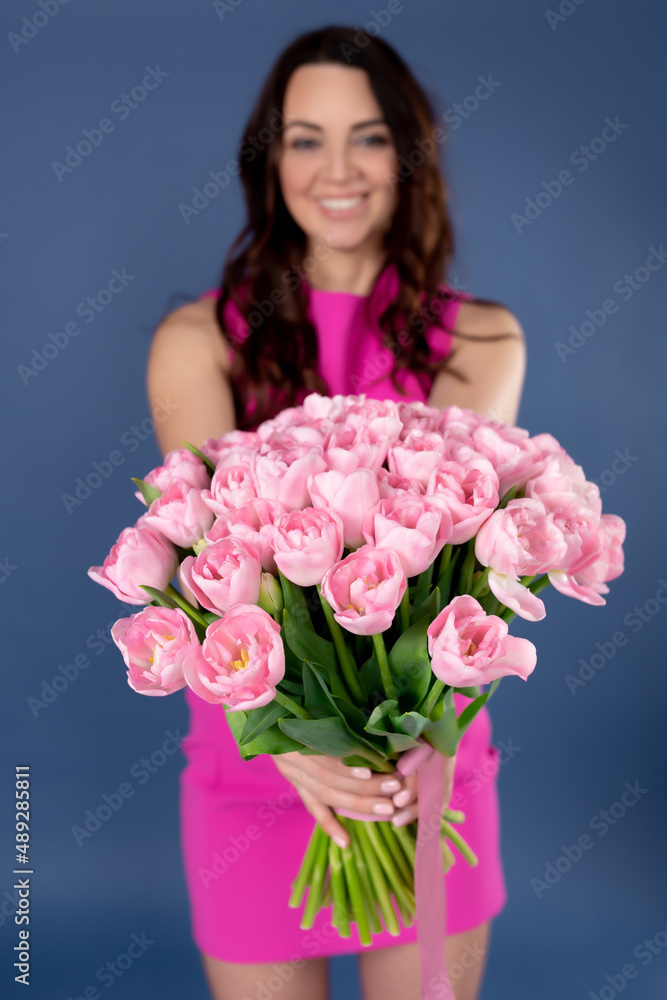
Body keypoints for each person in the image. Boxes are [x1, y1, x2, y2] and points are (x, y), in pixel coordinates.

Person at [145, 25, 526, 1000]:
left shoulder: (480, 340)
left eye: (365, 136)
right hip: (257, 765)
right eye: (304, 137)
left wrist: (396, 743)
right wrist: (294, 743)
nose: (336, 168)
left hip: (420, 768)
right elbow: (204, 562)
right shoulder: (198, 341)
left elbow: (455, 574)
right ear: (270, 162)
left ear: (406, 156)